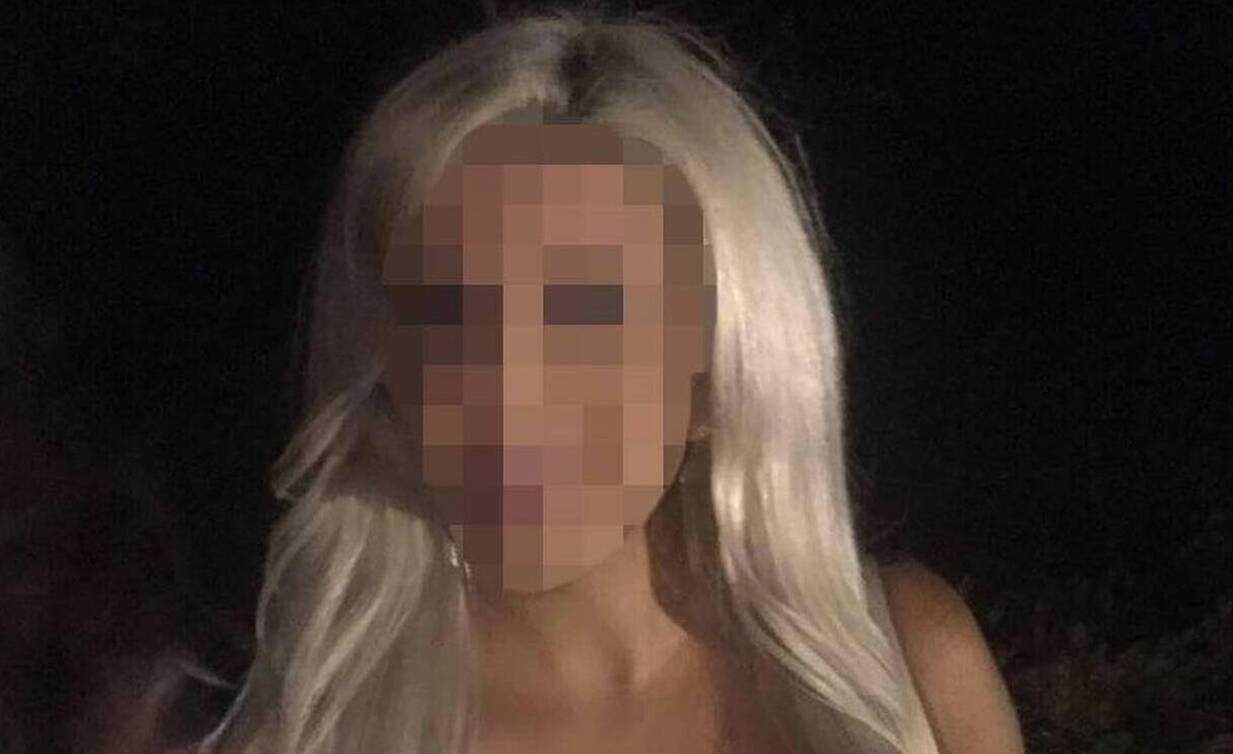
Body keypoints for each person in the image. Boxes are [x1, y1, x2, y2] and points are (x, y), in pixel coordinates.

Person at [201, 4, 1024, 753]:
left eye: (592, 316)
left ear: (718, 367)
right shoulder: (307, 733)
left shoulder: (910, 674)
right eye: (450, 313)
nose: (513, 392)